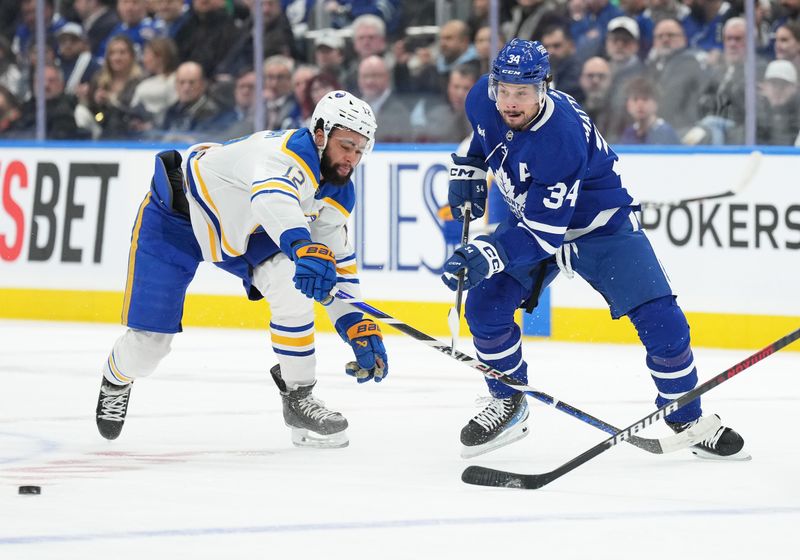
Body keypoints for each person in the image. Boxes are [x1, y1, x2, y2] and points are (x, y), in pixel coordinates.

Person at [440, 38, 747, 460]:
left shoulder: (560, 135)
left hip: (598, 225)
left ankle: (687, 418)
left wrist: (489, 251)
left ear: (543, 87)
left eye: (522, 92)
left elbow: (543, 237)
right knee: (484, 308)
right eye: (504, 90)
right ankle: (508, 398)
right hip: (533, 215)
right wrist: (468, 166)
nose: (510, 102)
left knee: (664, 323)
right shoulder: (483, 97)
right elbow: (482, 137)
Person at [95, 90, 389, 449]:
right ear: (320, 133)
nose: (351, 159)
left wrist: (354, 321)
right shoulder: (278, 157)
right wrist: (302, 246)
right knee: (149, 347)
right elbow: (273, 198)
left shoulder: (339, 190)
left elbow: (339, 261)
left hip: (250, 229)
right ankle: (116, 378)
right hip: (177, 218)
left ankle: (299, 398)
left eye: (360, 150)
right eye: (346, 146)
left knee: (289, 282)